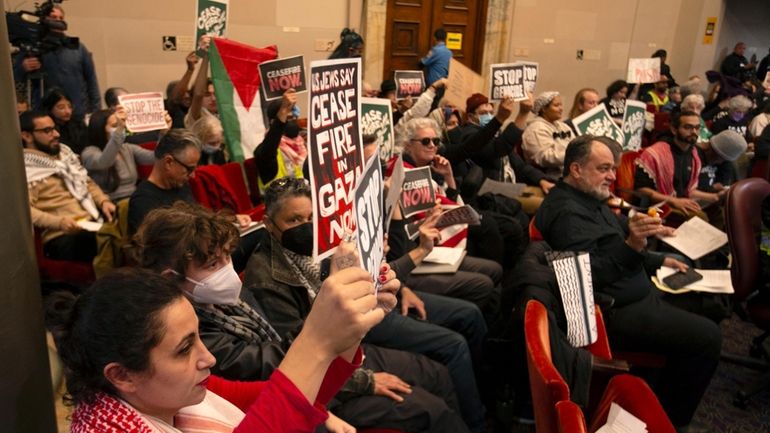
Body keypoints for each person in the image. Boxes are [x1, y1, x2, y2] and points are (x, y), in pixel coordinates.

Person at [46, 263, 395, 433]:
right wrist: (316, 341)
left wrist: (348, 334)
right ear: (122, 375)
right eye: (184, 349)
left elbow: (274, 401)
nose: (208, 357)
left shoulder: (169, 392)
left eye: (199, 336)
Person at [243, 177, 472, 433]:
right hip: (328, 384)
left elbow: (369, 279)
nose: (306, 227)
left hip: (354, 342)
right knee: (432, 410)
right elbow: (298, 356)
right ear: (268, 224)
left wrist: (389, 266)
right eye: (294, 220)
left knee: (437, 374)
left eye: (311, 219)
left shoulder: (327, 244)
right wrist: (366, 381)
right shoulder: (265, 279)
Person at [534, 135, 721, 429]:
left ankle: (656, 394)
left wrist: (658, 260)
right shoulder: (567, 213)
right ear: (576, 169)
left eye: (612, 168)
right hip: (613, 312)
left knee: (711, 305)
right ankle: (671, 421)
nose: (612, 176)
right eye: (604, 168)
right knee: (708, 336)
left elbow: (614, 242)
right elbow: (589, 278)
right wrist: (634, 244)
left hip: (637, 292)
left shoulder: (590, 198)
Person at [22, 110, 116, 262]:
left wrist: (103, 201)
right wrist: (59, 222)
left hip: (91, 221)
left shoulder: (64, 153)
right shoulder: (26, 169)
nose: (56, 134)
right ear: (27, 136)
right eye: (47, 130)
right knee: (107, 241)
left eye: (54, 128)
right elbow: (26, 211)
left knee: (126, 215)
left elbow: (85, 182)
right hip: (63, 234)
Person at [446, 92, 553, 215]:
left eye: (491, 112)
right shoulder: (469, 134)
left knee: (555, 195)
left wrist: (541, 179)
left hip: (511, 187)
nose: (489, 116)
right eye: (483, 113)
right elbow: (496, 150)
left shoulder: (497, 132)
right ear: (470, 117)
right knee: (546, 205)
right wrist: (522, 113)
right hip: (491, 192)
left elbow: (520, 165)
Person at [12, 4, 101, 119]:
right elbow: (15, 77)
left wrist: (96, 111)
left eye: (61, 18)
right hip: (45, 115)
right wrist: (23, 67)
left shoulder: (77, 47)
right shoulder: (31, 46)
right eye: (53, 17)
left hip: (76, 113)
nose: (58, 21)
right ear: (43, 19)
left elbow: (91, 80)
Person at [634, 111, 720, 216]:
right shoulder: (654, 154)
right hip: (659, 206)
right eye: (688, 127)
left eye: (697, 128)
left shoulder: (694, 154)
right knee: (701, 216)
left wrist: (716, 197)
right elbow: (641, 190)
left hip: (681, 201)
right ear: (674, 130)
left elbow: (689, 191)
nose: (694, 132)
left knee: (720, 211)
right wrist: (673, 200)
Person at [81, 107, 165, 202]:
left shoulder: (127, 148)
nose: (121, 127)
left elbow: (155, 157)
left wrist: (163, 133)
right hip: (110, 203)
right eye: (115, 125)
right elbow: (104, 162)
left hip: (134, 198)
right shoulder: (89, 152)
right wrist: (120, 129)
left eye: (121, 125)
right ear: (100, 129)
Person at [253, 89, 306, 191]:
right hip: (279, 202)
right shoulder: (264, 151)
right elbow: (272, 140)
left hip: (301, 196)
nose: (293, 123)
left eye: (293, 118)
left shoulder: (300, 145)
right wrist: (283, 112)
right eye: (288, 118)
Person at [521, 91, 574, 178]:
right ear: (544, 109)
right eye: (556, 105)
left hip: (568, 172)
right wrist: (575, 156)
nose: (561, 108)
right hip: (549, 176)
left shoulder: (563, 126)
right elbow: (544, 157)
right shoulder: (535, 129)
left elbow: (576, 145)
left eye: (561, 105)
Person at [41, 88, 88, 154]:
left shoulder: (78, 124)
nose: (68, 111)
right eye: (61, 107)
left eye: (70, 106)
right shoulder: (45, 127)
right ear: (49, 108)